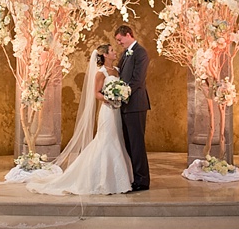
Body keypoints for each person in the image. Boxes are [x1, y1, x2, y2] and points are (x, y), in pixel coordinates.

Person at [26, 44, 133, 195]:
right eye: (112, 51)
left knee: (117, 139)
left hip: (117, 111)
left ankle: (115, 179)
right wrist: (110, 99)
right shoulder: (100, 73)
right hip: (108, 111)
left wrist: (120, 96)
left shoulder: (117, 70)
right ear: (105, 55)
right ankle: (99, 179)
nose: (115, 53)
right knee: (106, 141)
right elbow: (96, 93)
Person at [114, 25, 151, 191]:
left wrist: (122, 93)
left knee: (137, 144)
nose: (119, 43)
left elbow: (137, 80)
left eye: (120, 39)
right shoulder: (125, 54)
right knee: (129, 143)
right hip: (125, 104)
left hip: (136, 104)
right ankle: (132, 177)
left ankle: (142, 181)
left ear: (128, 35)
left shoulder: (140, 53)